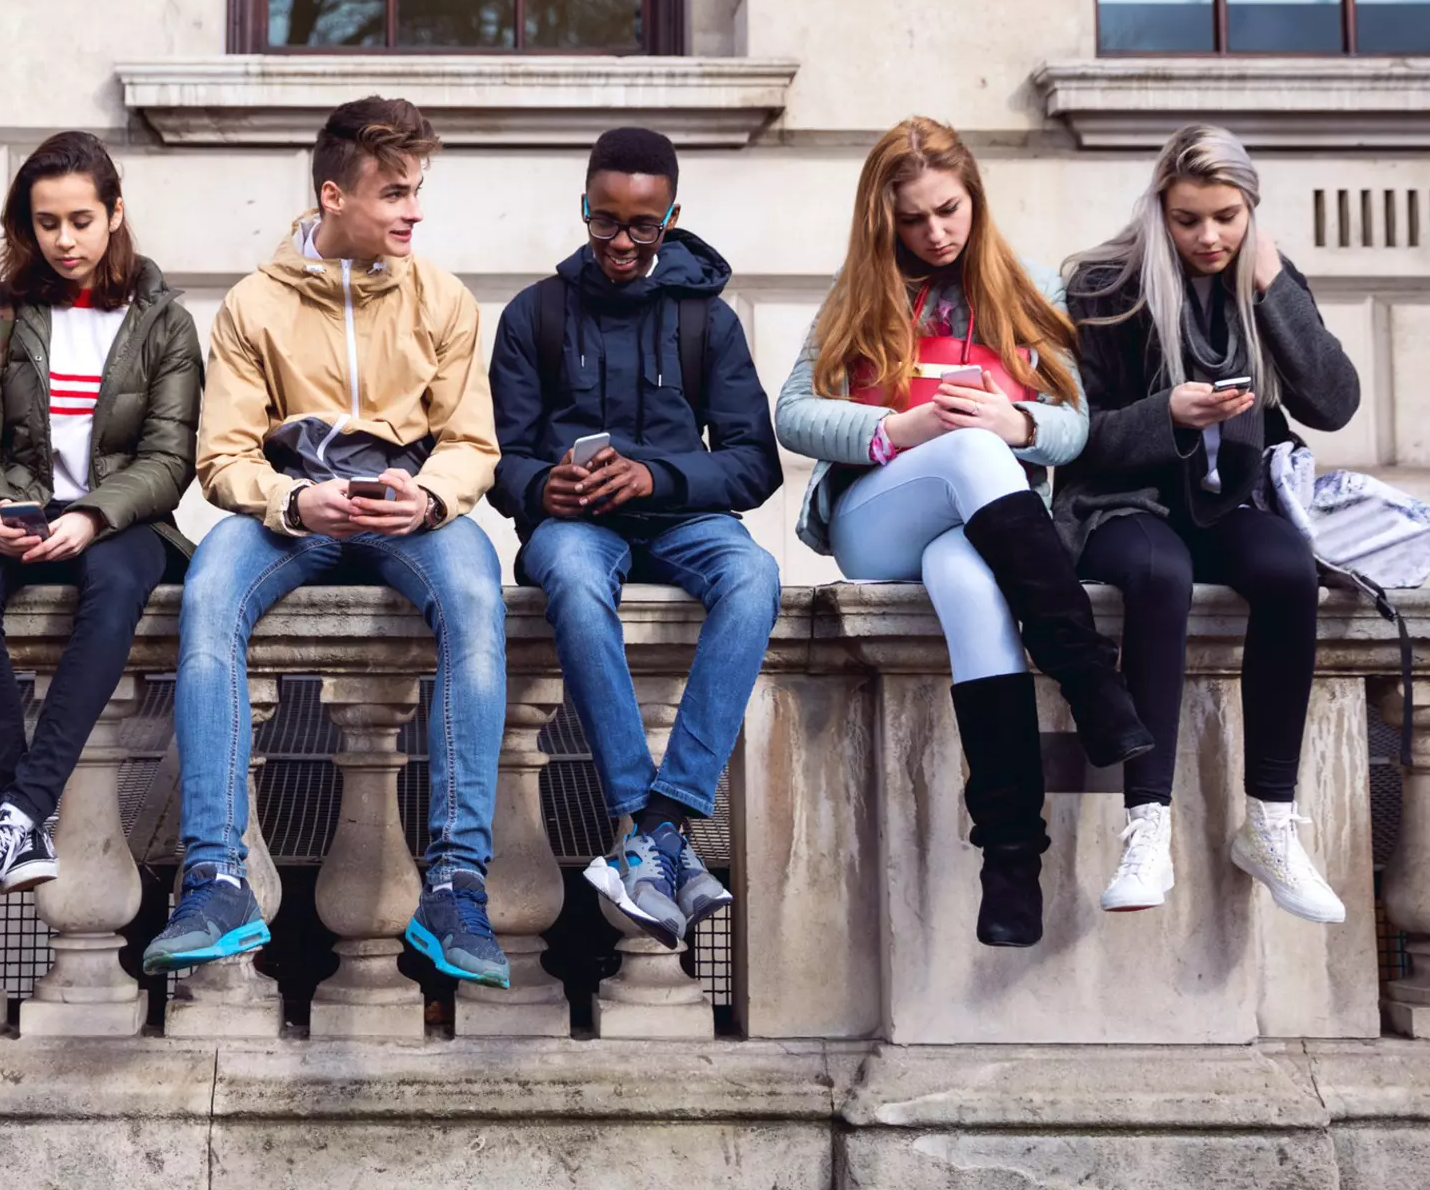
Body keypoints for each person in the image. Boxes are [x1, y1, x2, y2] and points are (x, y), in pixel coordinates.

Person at [140, 97, 512, 988]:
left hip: (406, 512)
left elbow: (472, 444)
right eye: (393, 192)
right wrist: (295, 501)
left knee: (474, 598)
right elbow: (221, 456)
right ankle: (215, 878)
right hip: (288, 515)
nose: (412, 210)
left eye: (417, 190)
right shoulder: (252, 305)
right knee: (207, 599)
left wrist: (422, 497)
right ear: (334, 193)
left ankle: (456, 884)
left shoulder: (444, 299)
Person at [775, 116, 1151, 948]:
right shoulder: (860, 295)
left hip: (978, 526)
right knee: (969, 454)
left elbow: (1073, 427)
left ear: (974, 198)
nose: (935, 232)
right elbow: (792, 413)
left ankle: (1011, 861)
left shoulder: (1028, 292)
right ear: (884, 221)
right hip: (879, 519)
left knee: (971, 586)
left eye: (948, 210)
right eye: (912, 218)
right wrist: (900, 429)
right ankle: (1087, 678)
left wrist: (1014, 421)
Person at [488, 127, 782, 948]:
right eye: (604, 221)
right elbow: (496, 458)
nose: (620, 242)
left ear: (670, 218)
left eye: (641, 226)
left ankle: (661, 821)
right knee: (575, 585)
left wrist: (658, 477)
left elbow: (754, 465)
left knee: (754, 576)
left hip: (685, 520)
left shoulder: (706, 322)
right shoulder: (533, 315)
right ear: (584, 209)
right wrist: (539, 485)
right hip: (575, 526)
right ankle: (640, 821)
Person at [1059, 125, 1359, 923]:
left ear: (1249, 210)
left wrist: (1273, 289)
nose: (1206, 236)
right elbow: (1073, 433)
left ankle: (1268, 822)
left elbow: (1333, 403)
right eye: (1187, 217)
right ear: (1160, 208)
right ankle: (1145, 825)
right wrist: (1168, 414)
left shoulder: (1264, 278)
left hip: (1230, 502)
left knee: (1290, 573)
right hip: (1120, 505)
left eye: (1225, 216)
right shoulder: (1102, 286)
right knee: (1161, 577)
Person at [0, 133, 201, 911]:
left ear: (114, 214)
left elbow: (168, 457)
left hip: (120, 524)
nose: (64, 239)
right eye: (46, 223)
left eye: (80, 219)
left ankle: (18, 810)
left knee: (115, 591)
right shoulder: (0, 315)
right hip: (14, 510)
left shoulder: (164, 324)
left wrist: (91, 515)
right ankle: (22, 812)